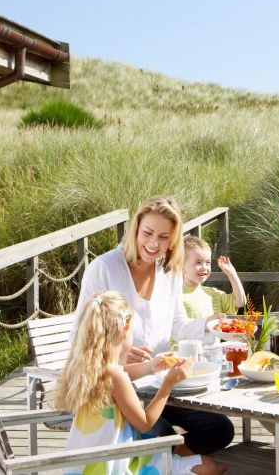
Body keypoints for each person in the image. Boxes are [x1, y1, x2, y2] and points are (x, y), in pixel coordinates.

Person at [70, 195, 234, 456]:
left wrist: (207, 323)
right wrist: (118, 355)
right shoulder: (104, 268)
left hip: (156, 381)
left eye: (164, 236)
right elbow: (82, 335)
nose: (154, 243)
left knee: (220, 428)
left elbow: (177, 325)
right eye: (148, 233)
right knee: (163, 435)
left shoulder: (169, 271)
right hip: (116, 391)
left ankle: (163, 460)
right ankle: (166, 460)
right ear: (135, 228)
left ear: (174, 239)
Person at [56, 290, 226, 475]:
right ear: (125, 328)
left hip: (87, 464)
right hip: (118, 465)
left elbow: (120, 375)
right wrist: (168, 384)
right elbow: (145, 423)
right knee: (212, 467)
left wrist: (150, 366)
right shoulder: (115, 376)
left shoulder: (87, 367)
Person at [182, 235, 246, 318]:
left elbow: (240, 302)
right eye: (198, 262)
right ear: (182, 266)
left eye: (208, 262)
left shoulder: (213, 294)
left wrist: (232, 274)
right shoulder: (176, 296)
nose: (204, 267)